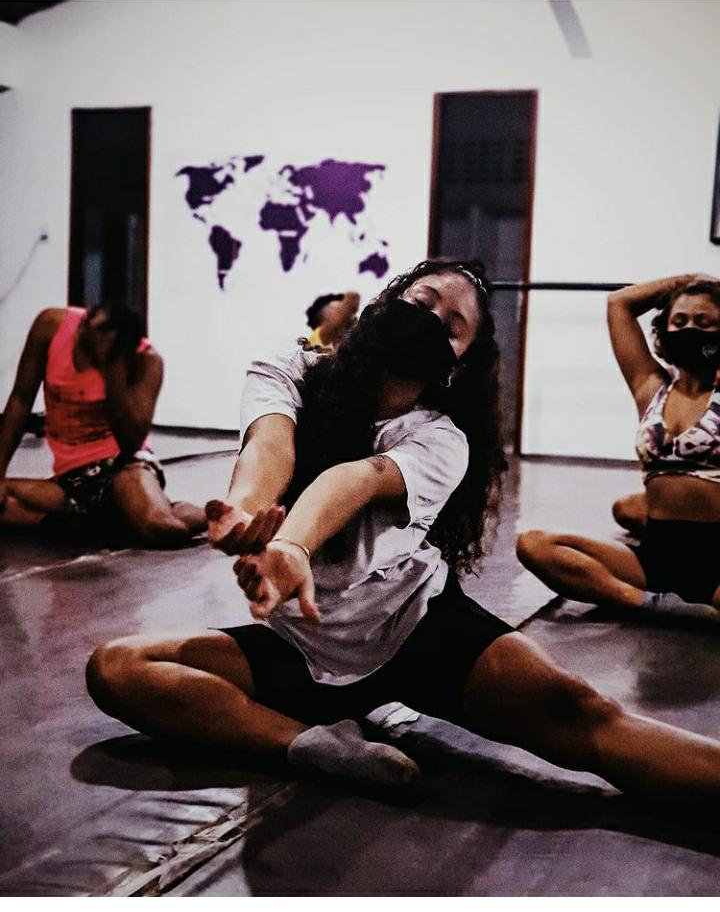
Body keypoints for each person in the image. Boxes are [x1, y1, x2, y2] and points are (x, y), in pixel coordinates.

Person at [87, 262, 720, 802]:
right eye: (422, 301)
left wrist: (289, 546)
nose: (430, 321)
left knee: (583, 716)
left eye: (452, 325)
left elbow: (357, 479)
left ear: (458, 364)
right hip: (304, 651)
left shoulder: (442, 437)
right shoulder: (290, 368)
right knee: (119, 668)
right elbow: (270, 445)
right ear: (384, 305)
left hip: (418, 631)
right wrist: (246, 509)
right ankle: (313, 745)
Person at [518, 274, 720, 623]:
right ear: (665, 330)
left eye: (703, 323)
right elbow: (619, 303)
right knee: (534, 545)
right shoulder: (650, 388)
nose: (689, 329)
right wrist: (687, 281)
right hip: (656, 555)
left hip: (715, 555)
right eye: (680, 321)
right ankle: (646, 602)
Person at [0, 303, 206, 547]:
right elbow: (21, 399)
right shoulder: (50, 326)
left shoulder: (146, 361)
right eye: (85, 326)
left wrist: (110, 368)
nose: (82, 335)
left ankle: (206, 517)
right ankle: (108, 521)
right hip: (72, 481)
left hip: (124, 467)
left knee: (159, 528)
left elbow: (132, 443)